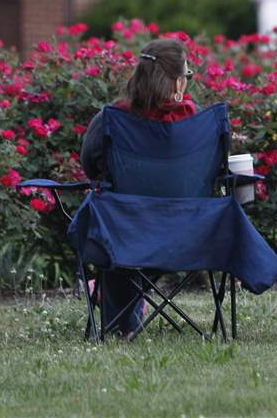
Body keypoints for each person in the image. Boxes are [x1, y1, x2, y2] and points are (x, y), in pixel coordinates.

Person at [79, 37, 197, 338]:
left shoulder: (112, 119)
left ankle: (118, 318)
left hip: (125, 229)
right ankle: (127, 309)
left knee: (114, 230)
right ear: (175, 82)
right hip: (188, 230)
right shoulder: (194, 122)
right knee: (142, 238)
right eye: (186, 75)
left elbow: (90, 165)